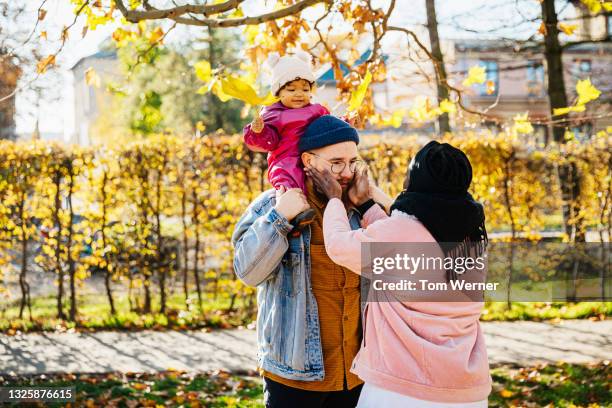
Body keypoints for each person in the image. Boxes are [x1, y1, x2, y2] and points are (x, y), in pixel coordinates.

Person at [305, 141, 492, 407]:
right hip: (466, 390)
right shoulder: (472, 234)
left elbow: (339, 246)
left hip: (404, 388)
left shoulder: (402, 231)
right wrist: (368, 204)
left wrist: (335, 199)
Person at [233, 115, 387, 408]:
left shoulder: (359, 210)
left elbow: (408, 256)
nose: (346, 172)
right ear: (308, 160)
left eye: (352, 162)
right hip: (294, 375)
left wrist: (376, 202)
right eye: (336, 162)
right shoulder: (273, 204)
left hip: (356, 373)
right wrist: (280, 218)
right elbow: (247, 272)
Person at [242, 51, 329, 231]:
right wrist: (259, 131)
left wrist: (348, 122)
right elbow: (269, 142)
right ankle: (292, 213)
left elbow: (331, 126)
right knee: (287, 178)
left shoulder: (317, 111)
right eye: (291, 89)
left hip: (313, 156)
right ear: (278, 91)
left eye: (305, 89)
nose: (299, 94)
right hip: (286, 158)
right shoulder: (274, 114)